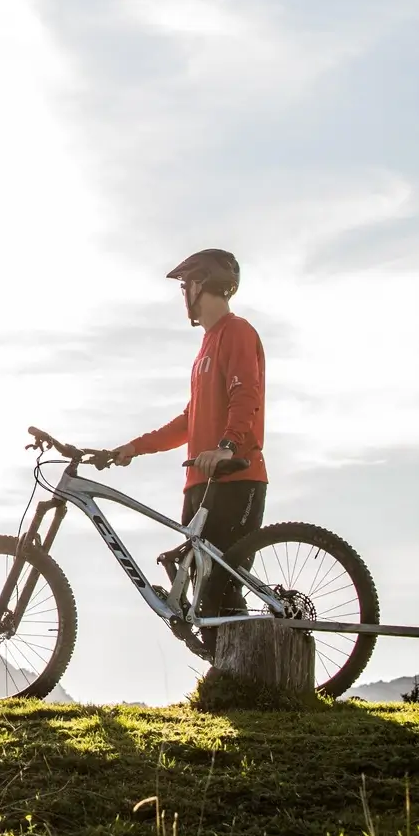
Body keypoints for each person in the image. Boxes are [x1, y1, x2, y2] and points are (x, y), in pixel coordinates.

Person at [110, 248, 266, 617]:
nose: (183, 295)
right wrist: (135, 447)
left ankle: (252, 669)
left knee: (221, 591)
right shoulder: (205, 347)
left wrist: (227, 446)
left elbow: (246, 394)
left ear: (202, 285)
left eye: (185, 286)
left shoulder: (237, 331)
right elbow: (189, 421)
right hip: (200, 482)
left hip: (235, 475)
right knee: (201, 593)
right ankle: (223, 669)